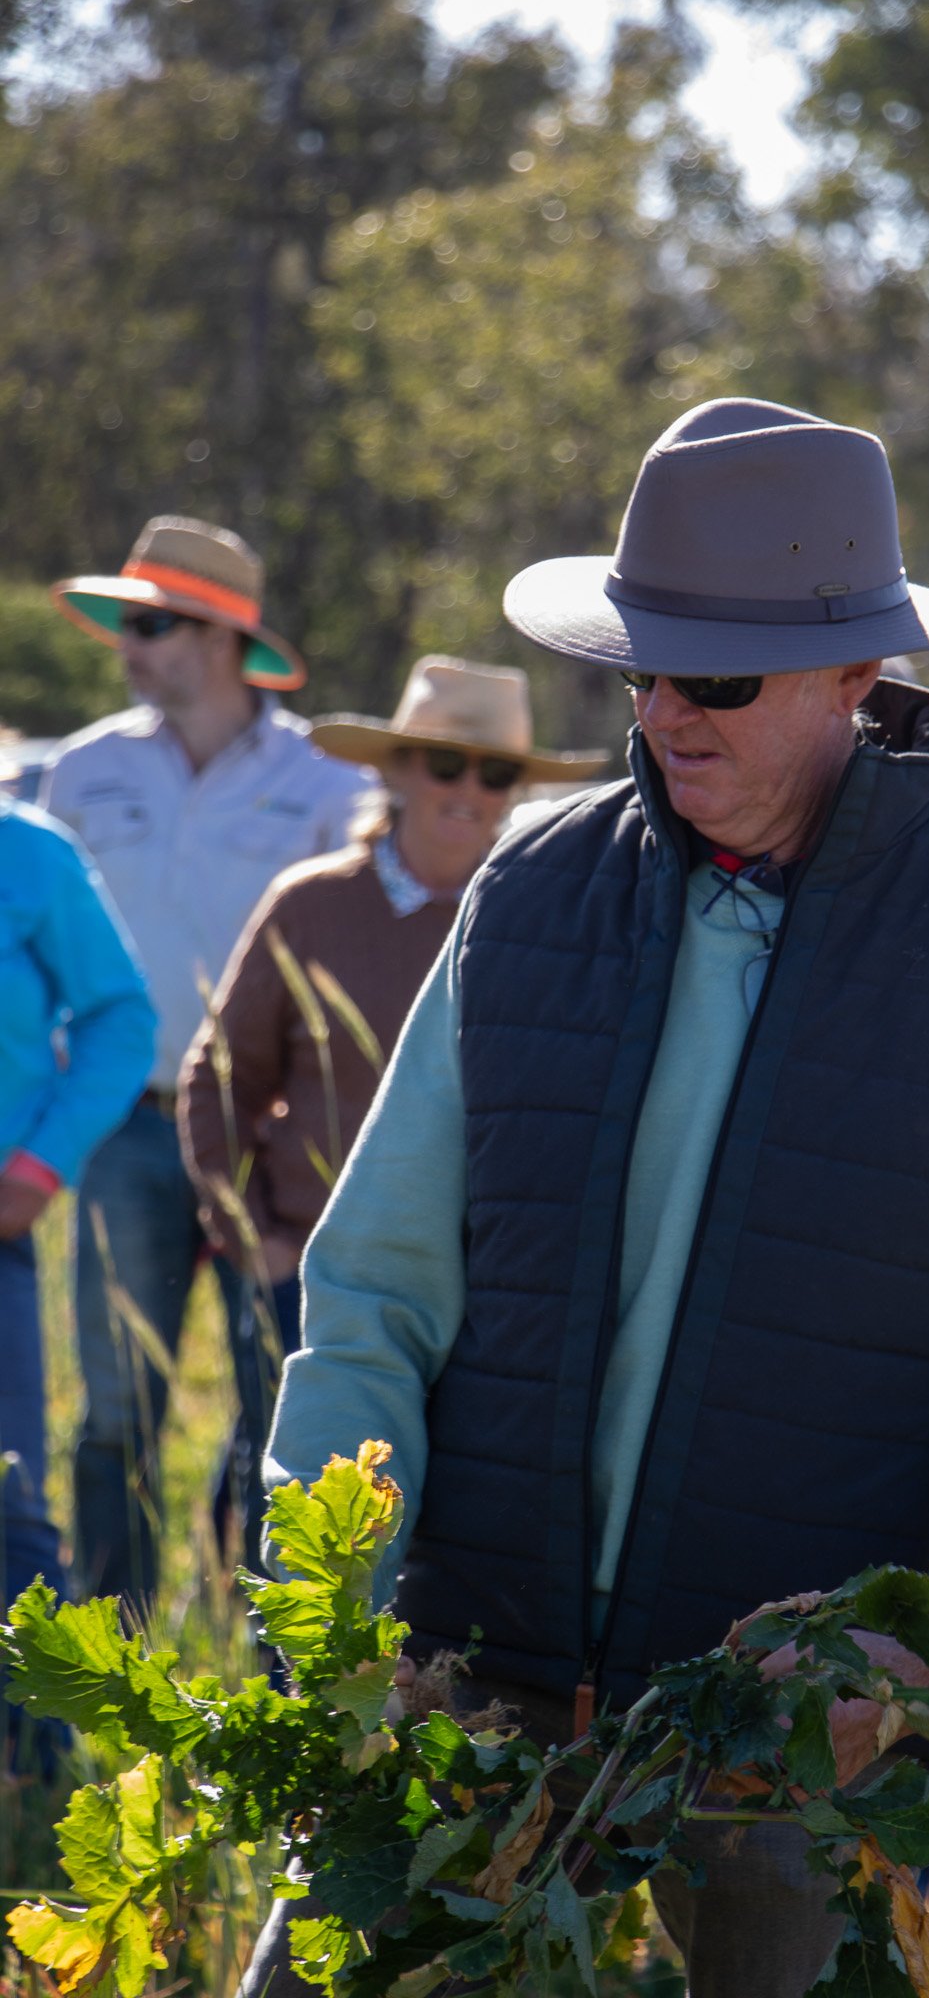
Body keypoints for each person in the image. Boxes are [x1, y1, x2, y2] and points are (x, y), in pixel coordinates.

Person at [258, 398, 929, 1996]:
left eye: (719, 677)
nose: (667, 711)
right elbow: (375, 1292)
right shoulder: (528, 897)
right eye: (641, 667)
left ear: (854, 677)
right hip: (466, 1657)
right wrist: (339, 1592)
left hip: (797, 1726)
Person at [178, 656, 606, 1575]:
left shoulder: (549, 921)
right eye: (445, 766)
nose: (470, 792)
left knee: (437, 1511)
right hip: (313, 1262)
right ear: (397, 770)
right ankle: (277, 1692)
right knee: (295, 1502)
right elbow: (220, 1078)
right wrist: (252, 1236)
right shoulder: (313, 904)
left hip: (486, 1287)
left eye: (495, 774)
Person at [40, 516, 367, 1610]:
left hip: (271, 1135)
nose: (127, 643)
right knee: (114, 1412)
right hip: (124, 1124)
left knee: (276, 1403)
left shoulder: (325, 780)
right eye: (124, 621)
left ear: (225, 637)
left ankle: (245, 1636)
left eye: (152, 621)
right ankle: (107, 1647)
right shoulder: (80, 773)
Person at [1, 789, 155, 1769]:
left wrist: (39, 1162)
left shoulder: (29, 857)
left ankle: (37, 1789)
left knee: (7, 1501)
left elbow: (119, 1018)